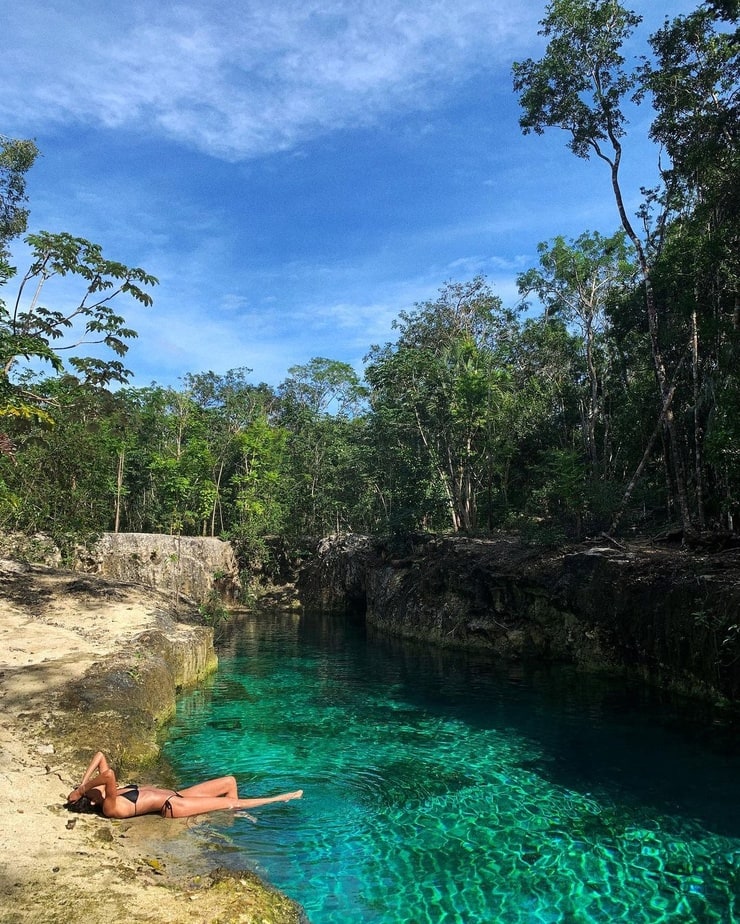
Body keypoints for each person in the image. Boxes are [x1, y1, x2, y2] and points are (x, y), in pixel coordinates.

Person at [66, 751, 303, 819]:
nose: (93, 788)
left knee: (230, 781)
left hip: (178, 794)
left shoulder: (108, 793)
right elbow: (108, 774)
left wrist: (83, 782)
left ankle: (232, 817)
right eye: (92, 791)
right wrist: (82, 789)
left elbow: (99, 756)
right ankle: (281, 798)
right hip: (172, 806)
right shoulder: (110, 806)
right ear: (92, 799)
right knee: (231, 801)